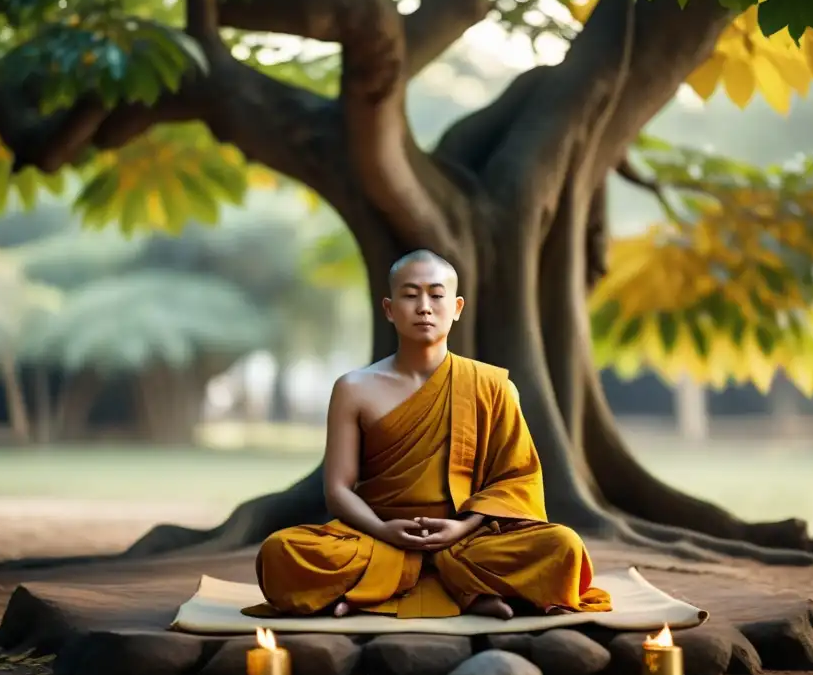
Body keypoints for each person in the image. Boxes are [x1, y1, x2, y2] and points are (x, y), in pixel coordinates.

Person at [246, 249, 611, 620]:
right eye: (410, 294)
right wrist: (384, 530)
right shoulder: (354, 388)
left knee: (563, 546)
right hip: (376, 536)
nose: (424, 307)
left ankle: (377, 590)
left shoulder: (493, 386)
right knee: (280, 552)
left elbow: (514, 481)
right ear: (389, 309)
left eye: (436, 295)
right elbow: (338, 488)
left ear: (456, 307)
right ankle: (465, 588)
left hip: (469, 538)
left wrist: (460, 527)